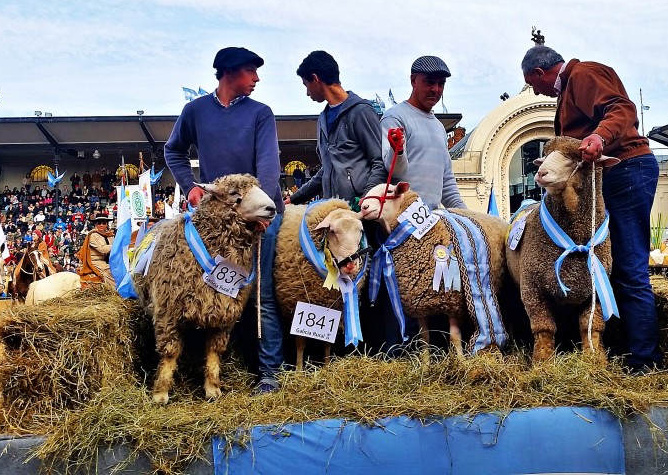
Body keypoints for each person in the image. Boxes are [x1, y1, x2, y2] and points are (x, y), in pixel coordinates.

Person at [521, 44, 664, 374]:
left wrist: (599, 136)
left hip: (624, 170)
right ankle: (624, 349)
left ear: (540, 74)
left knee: (628, 266)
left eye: (532, 83)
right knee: (607, 265)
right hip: (613, 176)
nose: (535, 90)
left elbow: (622, 109)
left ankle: (645, 362)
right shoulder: (571, 88)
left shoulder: (582, 74)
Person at [164, 46, 285, 393]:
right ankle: (223, 370)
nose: (257, 78)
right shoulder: (195, 111)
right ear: (230, 73)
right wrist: (190, 186)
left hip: (259, 219)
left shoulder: (261, 113)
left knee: (260, 296)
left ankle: (268, 374)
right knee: (222, 294)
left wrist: (264, 211)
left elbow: (268, 165)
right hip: (220, 225)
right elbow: (173, 150)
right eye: (251, 71)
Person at [288, 50, 387, 207]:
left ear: (315, 78)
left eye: (306, 85)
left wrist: (366, 200)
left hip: (361, 215)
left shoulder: (361, 112)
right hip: (333, 215)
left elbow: (379, 162)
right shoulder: (322, 119)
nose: (307, 93)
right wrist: (294, 199)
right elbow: (326, 171)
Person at [379, 56, 466, 210]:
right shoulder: (395, 117)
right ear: (413, 81)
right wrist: (397, 151)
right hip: (399, 221)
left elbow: (447, 183)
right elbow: (394, 171)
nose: (436, 89)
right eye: (429, 82)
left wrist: (470, 217)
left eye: (441, 84)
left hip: (431, 221)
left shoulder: (439, 128)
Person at [79, 213, 114, 287]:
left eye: (104, 223)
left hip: (108, 261)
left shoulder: (110, 235)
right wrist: (117, 246)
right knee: (112, 272)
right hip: (96, 262)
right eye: (99, 223)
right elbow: (102, 249)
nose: (101, 225)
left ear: (107, 224)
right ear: (96, 224)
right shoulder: (93, 235)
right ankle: (116, 291)